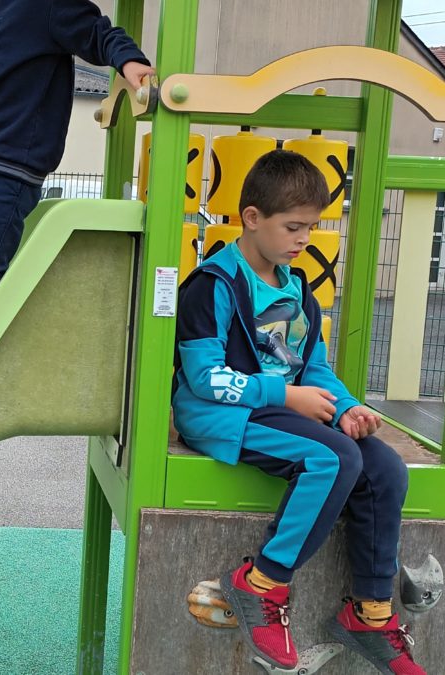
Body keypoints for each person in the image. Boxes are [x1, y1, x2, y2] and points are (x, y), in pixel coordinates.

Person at [173, 150, 424, 674]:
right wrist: (286, 397)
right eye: (293, 226)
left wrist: (346, 408)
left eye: (312, 227)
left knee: (383, 467)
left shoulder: (297, 290)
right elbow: (204, 379)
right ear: (251, 218)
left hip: (280, 413)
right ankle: (262, 581)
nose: (304, 238)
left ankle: (370, 615)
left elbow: (313, 370)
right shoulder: (214, 285)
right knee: (331, 459)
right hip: (221, 416)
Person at [0, 0, 154, 318]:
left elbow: (96, 33)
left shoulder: (47, 4)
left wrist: (128, 59)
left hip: (10, 163)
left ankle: (12, 362)